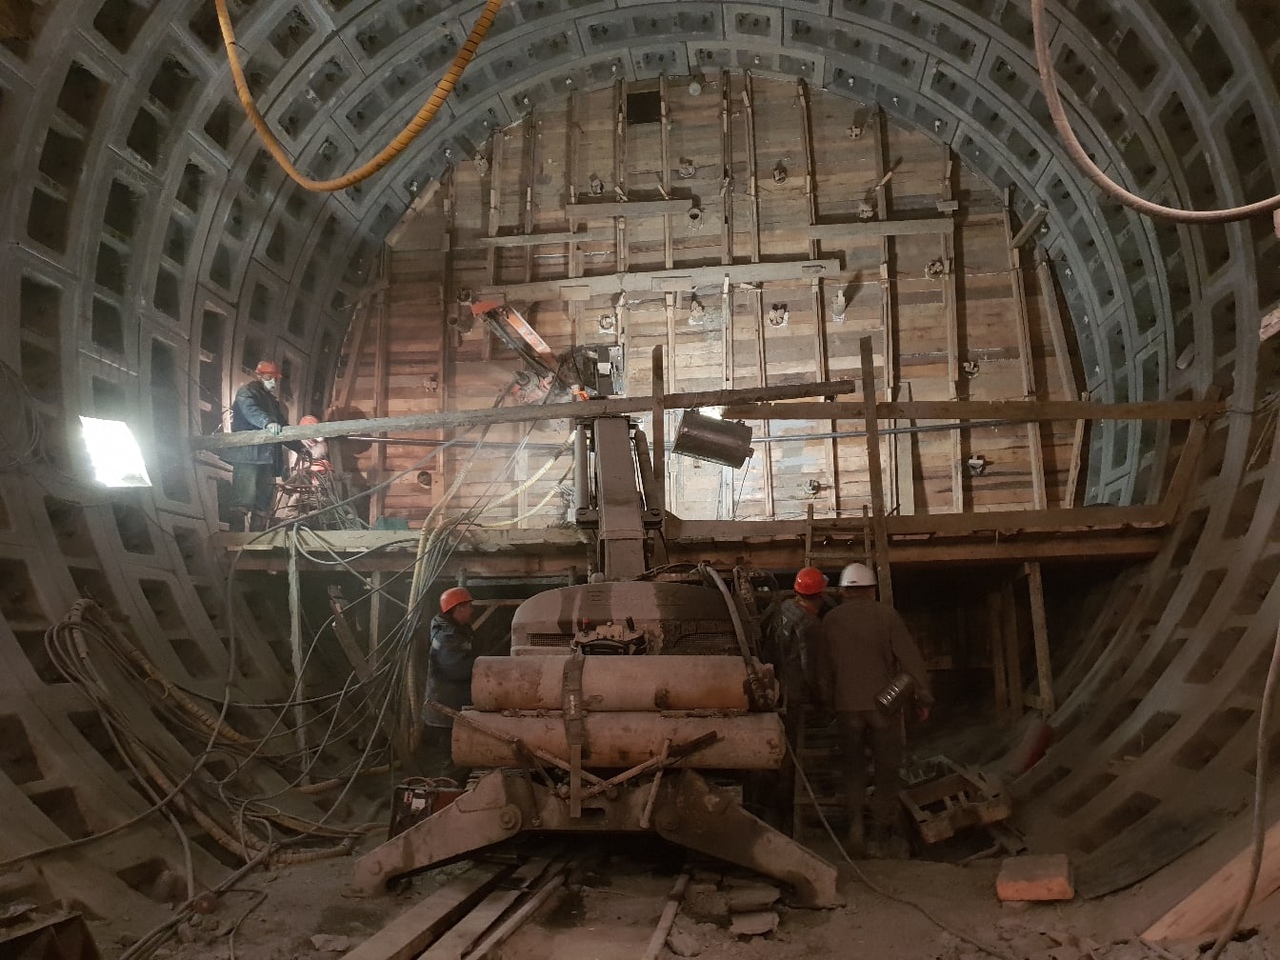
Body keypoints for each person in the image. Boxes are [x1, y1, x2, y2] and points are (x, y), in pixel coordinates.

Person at [815, 561, 933, 859]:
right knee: (886, 770)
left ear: (844, 591)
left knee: (853, 769)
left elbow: (823, 670)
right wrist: (923, 698)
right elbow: (910, 661)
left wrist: (827, 703)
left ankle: (855, 829)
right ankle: (879, 837)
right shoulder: (886, 615)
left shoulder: (830, 620)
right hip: (884, 707)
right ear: (871, 589)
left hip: (847, 708)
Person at [760, 566, 833, 829]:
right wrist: (825, 701)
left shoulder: (782, 608)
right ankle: (782, 817)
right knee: (787, 757)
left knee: (773, 750)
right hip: (792, 697)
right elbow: (812, 669)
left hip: (772, 689)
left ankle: (767, 810)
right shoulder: (811, 625)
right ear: (820, 595)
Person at [222, 361, 302, 532]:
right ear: (258, 375)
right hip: (248, 455)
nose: (272, 382)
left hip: (267, 458)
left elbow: (283, 427)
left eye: (275, 378)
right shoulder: (246, 392)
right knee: (243, 498)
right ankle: (235, 539)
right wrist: (267, 422)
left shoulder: (272, 402)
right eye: (268, 377)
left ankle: (256, 538)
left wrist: (299, 447)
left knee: (263, 503)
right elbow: (250, 411)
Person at [421, 586, 478, 782]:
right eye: (468, 606)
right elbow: (456, 668)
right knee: (455, 760)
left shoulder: (456, 632)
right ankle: (447, 795)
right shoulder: (446, 636)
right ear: (458, 608)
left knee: (459, 758)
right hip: (445, 709)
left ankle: (453, 791)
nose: (472, 610)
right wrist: (484, 667)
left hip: (450, 706)